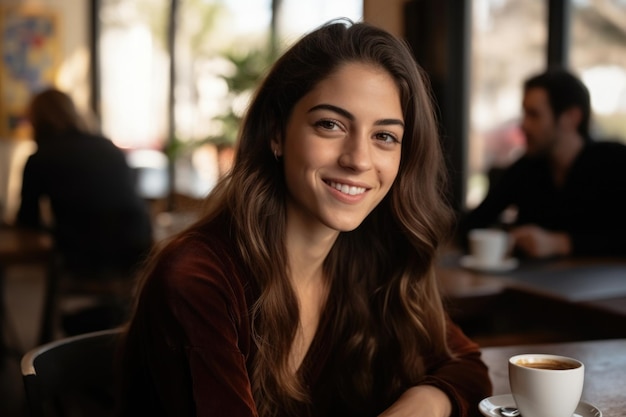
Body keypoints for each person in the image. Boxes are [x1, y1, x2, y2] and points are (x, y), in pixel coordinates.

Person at [117, 19, 492, 417]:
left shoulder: (367, 260)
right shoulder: (198, 278)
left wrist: (422, 403)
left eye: (384, 136)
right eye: (330, 125)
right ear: (277, 133)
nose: (358, 160)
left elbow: (466, 366)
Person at [16, 88, 153, 330]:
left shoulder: (39, 158)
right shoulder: (106, 146)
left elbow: (26, 221)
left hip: (86, 256)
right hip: (139, 249)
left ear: (37, 120)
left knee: (62, 252)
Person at [459, 68, 626, 259]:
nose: (523, 125)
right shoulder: (527, 167)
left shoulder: (615, 162)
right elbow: (471, 225)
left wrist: (561, 243)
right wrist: (504, 240)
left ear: (571, 118)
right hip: (530, 287)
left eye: (534, 115)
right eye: (524, 113)